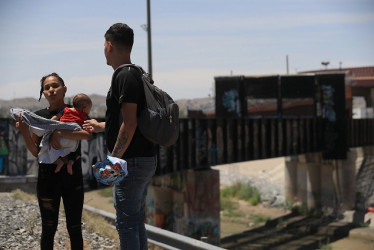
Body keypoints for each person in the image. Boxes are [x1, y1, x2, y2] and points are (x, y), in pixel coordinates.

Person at [83, 23, 157, 250]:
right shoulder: (137, 73)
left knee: (126, 223)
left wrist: (113, 160)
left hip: (130, 161)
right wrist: (102, 125)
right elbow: (128, 120)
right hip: (144, 158)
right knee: (135, 221)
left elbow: (130, 123)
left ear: (109, 45)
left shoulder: (123, 76)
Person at [16, 72, 92, 249]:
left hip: (73, 177)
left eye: (55, 86)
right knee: (48, 228)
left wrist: (58, 131)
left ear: (64, 89)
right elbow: (36, 151)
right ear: (43, 93)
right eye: (46, 87)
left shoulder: (77, 112)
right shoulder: (38, 117)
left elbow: (87, 134)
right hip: (47, 177)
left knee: (74, 228)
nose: (51, 90)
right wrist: (24, 132)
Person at [51, 93, 92, 175]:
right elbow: (89, 128)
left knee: (50, 150)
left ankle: (58, 162)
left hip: (60, 139)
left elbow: (54, 118)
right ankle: (70, 163)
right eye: (89, 109)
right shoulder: (84, 116)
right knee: (77, 152)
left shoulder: (65, 110)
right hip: (73, 140)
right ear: (84, 109)